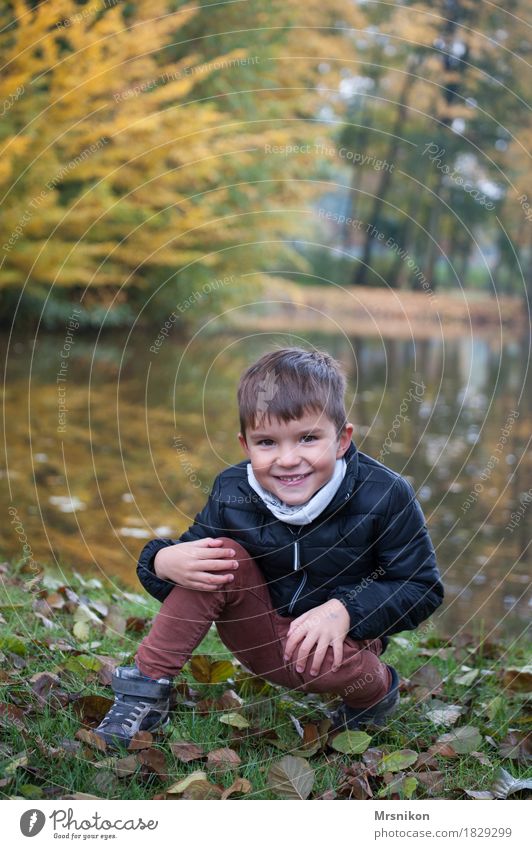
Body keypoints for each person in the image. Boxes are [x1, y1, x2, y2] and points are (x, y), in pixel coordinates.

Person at [95, 347, 444, 747]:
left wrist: (346, 610)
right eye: (267, 443)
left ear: (342, 439)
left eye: (308, 438)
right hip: (257, 630)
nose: (288, 459)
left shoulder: (385, 495)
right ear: (245, 446)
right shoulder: (232, 489)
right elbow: (191, 576)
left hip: (337, 639)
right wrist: (159, 560)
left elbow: (421, 587)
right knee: (216, 554)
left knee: (322, 664)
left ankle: (376, 693)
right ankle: (143, 692)